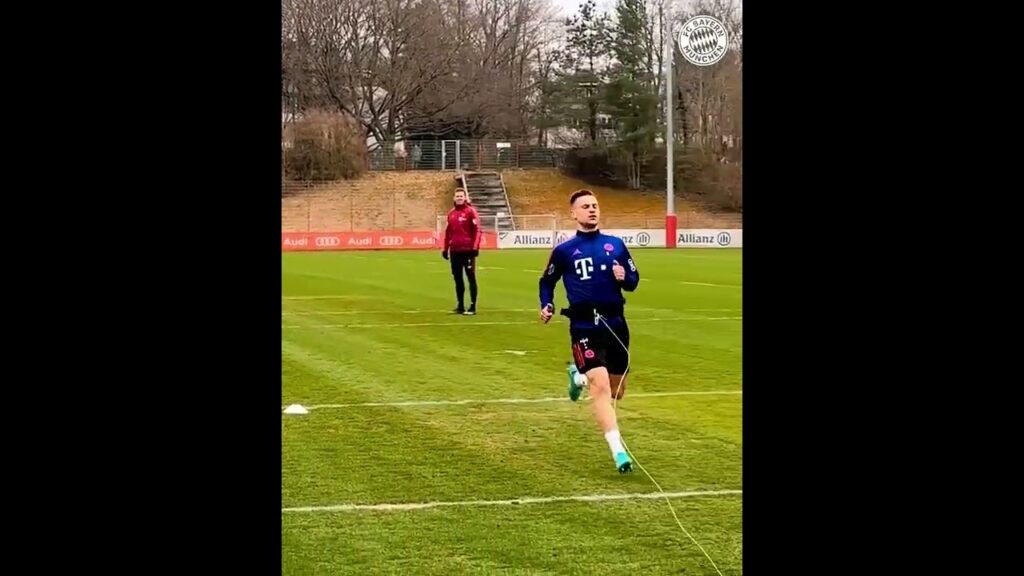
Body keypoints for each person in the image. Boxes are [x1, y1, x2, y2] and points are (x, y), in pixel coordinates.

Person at [538, 189, 640, 473]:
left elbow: (633, 280)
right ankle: (618, 451)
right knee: (602, 387)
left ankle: (578, 376)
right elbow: (546, 281)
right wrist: (547, 304)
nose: (592, 210)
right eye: (585, 206)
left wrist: (626, 277)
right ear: (574, 213)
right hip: (584, 325)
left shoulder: (616, 245)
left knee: (617, 391)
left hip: (616, 323)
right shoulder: (564, 251)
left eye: (594, 205)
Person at [442, 188, 482, 315]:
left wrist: (475, 248)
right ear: (454, 198)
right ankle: (460, 305)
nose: (459, 198)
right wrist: (445, 249)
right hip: (455, 251)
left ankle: (472, 306)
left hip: (468, 251)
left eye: (461, 196)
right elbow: (448, 233)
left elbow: (477, 231)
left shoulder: (471, 212)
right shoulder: (451, 214)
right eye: (457, 196)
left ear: (465, 197)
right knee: (458, 279)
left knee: (471, 277)